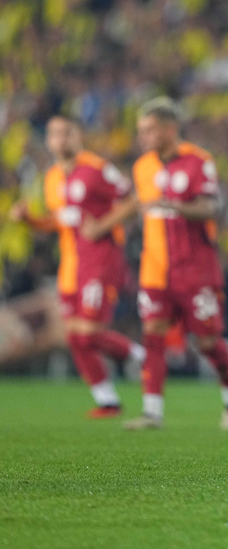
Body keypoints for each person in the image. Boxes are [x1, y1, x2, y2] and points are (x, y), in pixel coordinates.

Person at [82, 97, 228, 430]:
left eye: (150, 130)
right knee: (153, 335)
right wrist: (102, 225)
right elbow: (137, 202)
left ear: (170, 130)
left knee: (208, 343)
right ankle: (152, 412)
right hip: (155, 268)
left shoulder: (199, 161)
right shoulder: (143, 166)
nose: (143, 137)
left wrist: (172, 206)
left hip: (195, 268)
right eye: (141, 131)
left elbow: (209, 208)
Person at [10, 115, 145, 417]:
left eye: (66, 132)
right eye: (54, 133)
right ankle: (107, 400)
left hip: (101, 260)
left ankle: (140, 356)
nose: (61, 139)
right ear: (48, 140)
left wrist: (102, 226)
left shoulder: (96, 169)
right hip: (71, 267)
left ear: (78, 135)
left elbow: (133, 199)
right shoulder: (52, 178)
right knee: (73, 337)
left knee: (86, 333)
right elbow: (58, 222)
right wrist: (29, 220)